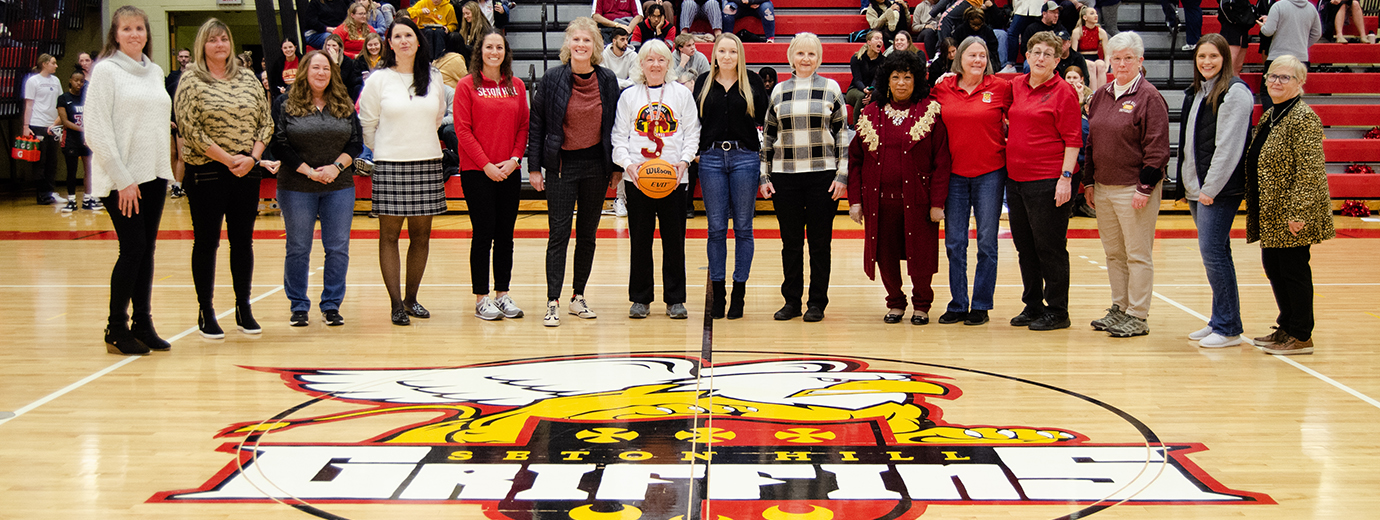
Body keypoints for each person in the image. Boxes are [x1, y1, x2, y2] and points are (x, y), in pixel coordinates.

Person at [174, 19, 277, 338]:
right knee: (207, 242)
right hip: (206, 172)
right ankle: (206, 310)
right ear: (202, 45)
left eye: (224, 39)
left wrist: (253, 157)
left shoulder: (247, 77)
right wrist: (228, 158)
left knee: (242, 242)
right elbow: (188, 127)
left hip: (246, 171)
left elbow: (266, 121)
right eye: (212, 40)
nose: (219, 44)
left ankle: (243, 308)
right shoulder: (190, 79)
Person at [86, 5, 175, 355]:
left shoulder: (153, 71)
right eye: (127, 29)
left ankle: (143, 323)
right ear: (116, 34)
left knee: (146, 250)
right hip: (122, 178)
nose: (135, 34)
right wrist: (123, 178)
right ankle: (116, 326)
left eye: (140, 28)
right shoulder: (106, 71)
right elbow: (96, 129)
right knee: (133, 247)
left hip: (152, 175)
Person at [526, 17, 623, 327]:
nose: (581, 45)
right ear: (568, 45)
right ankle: (552, 300)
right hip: (561, 166)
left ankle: (577, 296)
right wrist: (534, 167)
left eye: (587, 40)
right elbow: (537, 125)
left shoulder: (607, 79)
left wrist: (616, 168)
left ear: (595, 47)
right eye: (576, 40)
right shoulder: (552, 78)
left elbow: (616, 127)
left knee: (587, 236)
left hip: (596, 166)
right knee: (558, 234)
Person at [848, 51, 950, 325]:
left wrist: (938, 203)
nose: (902, 82)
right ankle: (895, 302)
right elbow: (855, 161)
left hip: (918, 201)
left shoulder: (931, 111)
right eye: (896, 77)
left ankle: (922, 304)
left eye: (908, 76)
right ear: (887, 81)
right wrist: (855, 201)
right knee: (884, 255)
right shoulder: (870, 113)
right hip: (879, 202)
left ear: (917, 80)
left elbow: (942, 161)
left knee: (921, 254)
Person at [359, 19, 449, 326]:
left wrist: (415, 143)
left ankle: (412, 299)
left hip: (426, 162)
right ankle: (396, 304)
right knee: (389, 236)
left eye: (408, 35)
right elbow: (367, 124)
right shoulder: (378, 79)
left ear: (418, 40)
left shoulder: (434, 77)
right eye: (397, 36)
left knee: (421, 236)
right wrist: (386, 149)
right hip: (390, 165)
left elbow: (437, 119)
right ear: (390, 43)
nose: (404, 40)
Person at [1082, 31, 1170, 338]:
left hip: (1134, 189)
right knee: (1114, 254)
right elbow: (1092, 142)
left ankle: (1137, 314)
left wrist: (1144, 188)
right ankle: (1119, 308)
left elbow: (1158, 148)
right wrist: (1089, 181)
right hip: (1103, 188)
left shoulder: (1150, 97)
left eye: (1128, 58)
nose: (1121, 64)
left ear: (1140, 61)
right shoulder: (1102, 95)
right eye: (1116, 58)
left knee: (1137, 253)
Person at [1246, 55, 1334, 356]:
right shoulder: (1272, 115)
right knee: (1274, 266)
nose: (1276, 82)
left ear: (1300, 83)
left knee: (1294, 269)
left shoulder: (1304, 118)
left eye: (1285, 78)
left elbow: (1310, 171)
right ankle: (1286, 325)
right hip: (1271, 208)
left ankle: (1301, 334)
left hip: (1291, 211)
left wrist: (1298, 213)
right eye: (1272, 76)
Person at [760, 33, 850, 322]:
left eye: (812, 54)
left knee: (820, 243)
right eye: (800, 54)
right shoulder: (778, 91)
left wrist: (842, 174)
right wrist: (764, 175)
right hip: (785, 176)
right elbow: (769, 137)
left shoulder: (831, 88)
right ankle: (791, 301)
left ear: (819, 58)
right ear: (791, 57)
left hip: (822, 176)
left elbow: (842, 135)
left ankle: (816, 303)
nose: (806, 59)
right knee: (791, 243)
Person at [611, 39, 701, 320]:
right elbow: (618, 137)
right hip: (639, 179)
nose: (655, 65)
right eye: (649, 60)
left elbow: (692, 133)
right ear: (641, 64)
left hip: (674, 180)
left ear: (668, 64)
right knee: (639, 240)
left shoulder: (681, 95)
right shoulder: (629, 96)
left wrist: (684, 162)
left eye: (661, 59)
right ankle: (640, 298)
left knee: (674, 241)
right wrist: (629, 166)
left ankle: (675, 299)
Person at [271, 50, 361, 328]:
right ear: (304, 72)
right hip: (296, 185)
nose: (321, 72)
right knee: (298, 247)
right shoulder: (284, 103)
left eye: (326, 68)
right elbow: (279, 144)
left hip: (339, 184)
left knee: (337, 247)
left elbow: (355, 143)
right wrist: (309, 171)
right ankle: (298, 305)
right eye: (315, 68)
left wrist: (336, 167)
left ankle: (331, 305)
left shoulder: (343, 102)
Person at [1175, 34, 1253, 349]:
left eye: (1214, 57)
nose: (1207, 62)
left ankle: (1229, 328)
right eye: (1202, 57)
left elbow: (1229, 147)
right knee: (1219, 253)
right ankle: (1220, 319)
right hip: (1199, 187)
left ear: (1226, 58)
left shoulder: (1235, 93)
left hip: (1217, 190)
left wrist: (1211, 187)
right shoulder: (1197, 92)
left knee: (1214, 254)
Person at [931, 36, 1010, 326]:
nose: (978, 60)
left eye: (982, 55)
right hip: (953, 176)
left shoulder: (1000, 87)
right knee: (954, 242)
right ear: (959, 58)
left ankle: (980, 305)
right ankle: (958, 302)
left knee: (987, 242)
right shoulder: (943, 87)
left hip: (990, 173)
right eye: (972, 55)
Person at [1005, 30, 1081, 331]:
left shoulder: (1063, 91)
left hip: (1048, 181)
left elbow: (1073, 139)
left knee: (1050, 247)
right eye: (1035, 52)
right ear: (1027, 55)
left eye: (1047, 54)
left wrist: (1065, 178)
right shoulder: (1017, 85)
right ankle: (1033, 304)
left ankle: (1058, 311)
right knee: (1025, 247)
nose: (1040, 58)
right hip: (1016, 180)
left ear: (1057, 59)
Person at [455, 30, 530, 321]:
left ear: (505, 52)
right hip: (477, 171)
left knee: (505, 235)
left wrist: (513, 160)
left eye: (499, 47)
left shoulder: (517, 86)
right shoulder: (466, 86)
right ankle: (481, 298)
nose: (494, 52)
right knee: (483, 233)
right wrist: (486, 164)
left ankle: (502, 294)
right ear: (480, 51)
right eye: (489, 47)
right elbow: (462, 130)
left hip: (509, 170)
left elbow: (523, 126)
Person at [693, 33, 766, 319]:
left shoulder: (754, 82)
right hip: (710, 159)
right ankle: (719, 294)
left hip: (744, 158)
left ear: (740, 55)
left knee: (744, 228)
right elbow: (694, 121)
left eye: (732, 52)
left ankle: (739, 293)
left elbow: (765, 121)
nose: (726, 56)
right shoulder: (703, 82)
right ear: (714, 54)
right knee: (716, 229)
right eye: (722, 51)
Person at [1259, 0, 1320, 112]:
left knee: (1268, 91)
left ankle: (1273, 123)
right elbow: (1317, 33)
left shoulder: (1278, 6)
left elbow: (1268, 31)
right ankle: (1289, 125)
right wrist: (1302, 44)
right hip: (1301, 58)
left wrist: (1262, 26)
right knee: (1293, 93)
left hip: (1278, 57)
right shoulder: (1311, 8)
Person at [22, 54, 63, 206]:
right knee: (40, 161)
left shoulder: (56, 81)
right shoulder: (33, 81)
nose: (56, 66)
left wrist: (59, 122)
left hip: (53, 125)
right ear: (45, 64)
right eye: (53, 63)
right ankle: (42, 194)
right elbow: (29, 105)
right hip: (38, 124)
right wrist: (26, 126)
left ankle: (50, 192)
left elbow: (60, 103)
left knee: (52, 161)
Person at [56, 70, 96, 212]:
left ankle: (87, 199)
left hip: (86, 140)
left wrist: (89, 132)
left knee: (89, 170)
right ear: (70, 80)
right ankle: (71, 200)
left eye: (82, 81)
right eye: (76, 80)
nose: (79, 83)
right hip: (71, 139)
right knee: (71, 170)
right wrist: (83, 130)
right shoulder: (63, 98)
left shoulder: (87, 98)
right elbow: (65, 122)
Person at [166, 47, 192, 199]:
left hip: (186, 123)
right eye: (181, 56)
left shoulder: (196, 82)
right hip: (172, 121)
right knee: (173, 154)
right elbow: (166, 100)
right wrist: (168, 119)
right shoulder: (172, 78)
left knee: (183, 155)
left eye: (186, 57)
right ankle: (175, 183)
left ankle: (179, 185)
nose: (183, 59)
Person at [848, 30, 886, 124]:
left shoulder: (883, 61)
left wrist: (871, 92)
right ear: (869, 42)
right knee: (861, 96)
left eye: (881, 39)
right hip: (855, 89)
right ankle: (855, 125)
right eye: (876, 38)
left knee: (876, 95)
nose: (880, 41)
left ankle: (874, 125)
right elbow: (857, 80)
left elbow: (877, 79)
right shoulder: (857, 58)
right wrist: (864, 90)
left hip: (873, 89)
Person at [1071, 6, 1108, 90]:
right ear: (1085, 17)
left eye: (1096, 13)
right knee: (1091, 65)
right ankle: (1093, 95)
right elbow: (1073, 52)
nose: (1096, 15)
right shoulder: (1077, 31)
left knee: (1101, 65)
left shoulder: (1101, 32)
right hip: (1082, 58)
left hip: (1095, 56)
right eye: (1092, 13)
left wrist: (1107, 65)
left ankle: (1101, 93)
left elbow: (1107, 52)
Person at [1016, 1, 1061, 70]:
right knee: (1028, 66)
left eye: (1057, 13)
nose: (1056, 15)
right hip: (1035, 57)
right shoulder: (1032, 28)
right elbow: (1024, 48)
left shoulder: (1060, 29)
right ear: (1044, 14)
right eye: (1053, 12)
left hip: (1053, 58)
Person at [323, 34, 364, 100]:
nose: (331, 48)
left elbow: (340, 80)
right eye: (328, 45)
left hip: (342, 91)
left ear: (339, 47)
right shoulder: (321, 59)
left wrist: (335, 62)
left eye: (334, 45)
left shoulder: (347, 61)